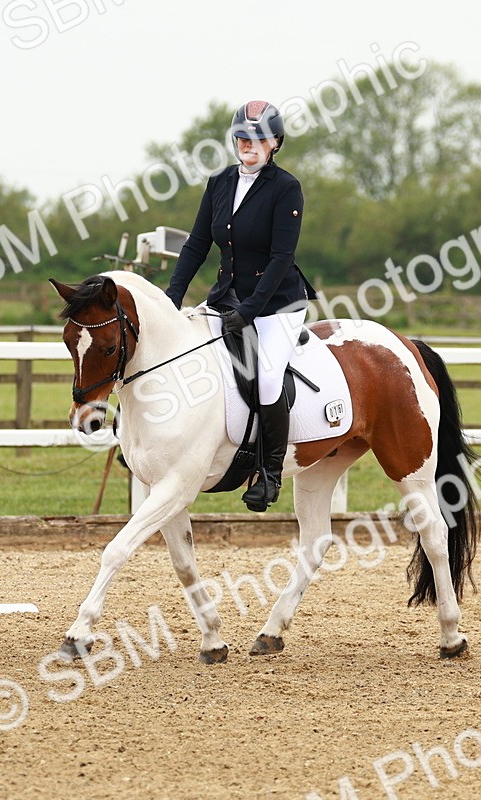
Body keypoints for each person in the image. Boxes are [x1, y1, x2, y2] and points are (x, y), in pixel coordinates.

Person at [165, 100, 318, 512]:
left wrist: (250, 311)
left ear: (275, 143)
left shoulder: (286, 188)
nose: (249, 143)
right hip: (226, 297)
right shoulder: (219, 183)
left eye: (258, 138)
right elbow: (197, 244)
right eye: (242, 136)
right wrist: (171, 299)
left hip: (277, 305)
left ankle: (268, 475)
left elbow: (281, 257)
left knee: (266, 377)